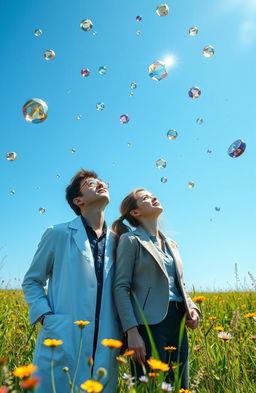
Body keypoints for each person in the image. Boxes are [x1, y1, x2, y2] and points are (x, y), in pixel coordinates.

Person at [22, 169, 122, 393]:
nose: (100, 184)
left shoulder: (119, 242)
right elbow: (32, 281)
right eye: (91, 183)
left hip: (105, 338)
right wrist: (46, 318)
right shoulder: (57, 233)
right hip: (63, 334)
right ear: (78, 201)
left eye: (102, 181)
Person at [112, 188, 202, 389]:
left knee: (180, 385)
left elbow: (180, 285)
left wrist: (193, 308)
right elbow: (120, 287)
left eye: (153, 195)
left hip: (178, 323)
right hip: (148, 326)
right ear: (135, 213)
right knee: (150, 387)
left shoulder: (172, 244)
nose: (153, 197)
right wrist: (132, 332)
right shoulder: (131, 240)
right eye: (145, 198)